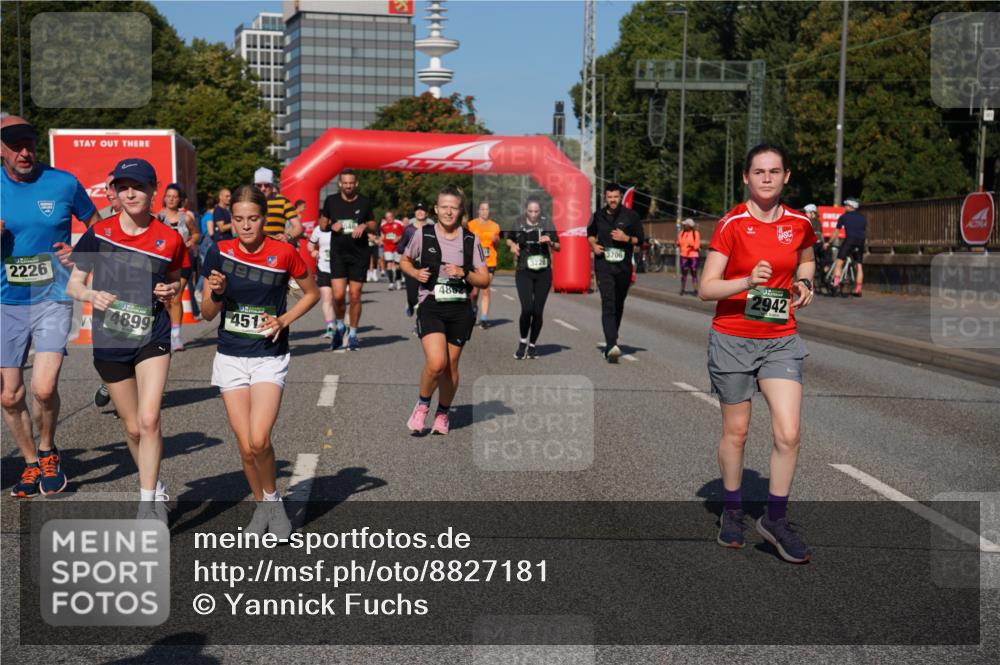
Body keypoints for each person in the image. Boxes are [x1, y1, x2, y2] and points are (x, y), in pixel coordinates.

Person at [698, 143, 816, 564]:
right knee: (738, 432)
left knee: (788, 432)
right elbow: (706, 287)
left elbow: (805, 258)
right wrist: (746, 280)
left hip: (781, 337)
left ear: (786, 177)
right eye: (759, 172)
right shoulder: (732, 224)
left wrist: (805, 284)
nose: (767, 178)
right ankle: (731, 510)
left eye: (774, 171)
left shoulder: (800, 223)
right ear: (746, 178)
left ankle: (775, 519)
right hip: (732, 337)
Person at [66, 158, 186, 521]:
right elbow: (73, 283)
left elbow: (179, 279)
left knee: (150, 420)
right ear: (115, 192)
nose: (130, 193)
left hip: (152, 333)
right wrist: (90, 296)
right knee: (133, 427)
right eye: (123, 186)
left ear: (153, 191)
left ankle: (146, 505)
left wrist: (170, 288)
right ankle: (155, 485)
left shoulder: (170, 238)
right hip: (111, 336)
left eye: (138, 186)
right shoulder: (99, 233)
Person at [200, 185, 318, 536]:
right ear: (231, 219)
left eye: (253, 219)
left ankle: (274, 504)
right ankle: (262, 507)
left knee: (259, 439)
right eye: (239, 220)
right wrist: (217, 293)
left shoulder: (283, 252)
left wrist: (284, 320)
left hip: (269, 356)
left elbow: (310, 293)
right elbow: (207, 313)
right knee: (245, 447)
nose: (246, 226)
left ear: (265, 218)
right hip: (230, 356)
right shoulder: (218, 252)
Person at [1, 116, 100, 498]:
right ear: (1, 149)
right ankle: (29, 463)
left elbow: (98, 224)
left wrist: (81, 251)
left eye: (29, 144)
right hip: (5, 300)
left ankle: (47, 451)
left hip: (53, 296)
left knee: (43, 389)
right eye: (15, 145)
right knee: (9, 395)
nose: (24, 152)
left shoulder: (62, 182)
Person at [400, 185, 489, 435]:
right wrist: (415, 272)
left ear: (461, 211)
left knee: (451, 365)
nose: (449, 212)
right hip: (431, 303)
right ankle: (422, 405)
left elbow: (484, 280)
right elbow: (404, 261)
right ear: (436, 209)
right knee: (436, 362)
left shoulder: (471, 240)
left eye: (454, 207)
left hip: (460, 308)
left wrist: (465, 273)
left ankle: (443, 413)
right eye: (444, 207)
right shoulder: (423, 235)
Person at [318, 169, 376, 351]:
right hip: (338, 255)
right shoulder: (331, 201)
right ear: (340, 184)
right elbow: (322, 223)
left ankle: (352, 334)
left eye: (351, 183)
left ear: (356, 184)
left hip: (359, 254)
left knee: (355, 296)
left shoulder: (364, 202)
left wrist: (364, 225)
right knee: (337, 296)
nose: (348, 186)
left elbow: (374, 225)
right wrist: (330, 225)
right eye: (345, 183)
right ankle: (340, 325)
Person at [588, 182, 644, 363]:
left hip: (623, 268)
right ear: (605, 197)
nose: (613, 200)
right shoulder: (598, 216)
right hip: (603, 266)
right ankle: (611, 345)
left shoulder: (631, 216)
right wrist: (593, 245)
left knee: (618, 303)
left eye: (616, 197)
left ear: (620, 197)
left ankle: (612, 339)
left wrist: (626, 238)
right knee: (608, 303)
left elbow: (641, 240)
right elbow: (590, 233)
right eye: (610, 197)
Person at [506, 197, 560, 359]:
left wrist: (550, 241)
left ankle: (532, 345)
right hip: (524, 270)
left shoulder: (547, 223)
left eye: (536, 211)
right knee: (527, 308)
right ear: (526, 210)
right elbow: (509, 238)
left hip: (543, 272)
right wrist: (513, 246)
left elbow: (558, 246)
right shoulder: (518, 222)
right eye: (530, 211)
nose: (533, 214)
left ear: (540, 211)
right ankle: (523, 342)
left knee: (537, 311)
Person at [157, 184, 201, 348]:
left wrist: (191, 241)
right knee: (166, 300)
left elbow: (196, 233)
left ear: (180, 199)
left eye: (175, 196)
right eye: (168, 196)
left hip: (183, 261)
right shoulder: (158, 218)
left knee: (176, 297)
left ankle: (176, 335)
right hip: (164, 263)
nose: (171, 199)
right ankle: (167, 330)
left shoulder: (186, 218)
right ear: (164, 198)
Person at [467, 201, 502, 328]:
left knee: (486, 290)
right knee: (474, 293)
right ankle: (473, 308)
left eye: (487, 209)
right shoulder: (471, 225)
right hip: (475, 262)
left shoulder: (495, 226)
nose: (485, 211)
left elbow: (497, 246)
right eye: (482, 209)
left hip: (490, 261)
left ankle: (484, 318)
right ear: (478, 211)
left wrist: (496, 240)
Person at [397, 203, 430, 319]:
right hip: (412, 266)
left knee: (427, 297)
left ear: (427, 213)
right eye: (417, 210)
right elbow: (400, 247)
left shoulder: (432, 229)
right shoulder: (409, 229)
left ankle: (421, 322)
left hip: (427, 267)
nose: (420, 212)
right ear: (415, 213)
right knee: (412, 298)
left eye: (422, 210)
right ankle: (411, 304)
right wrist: (410, 251)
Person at [255, 167, 302, 244]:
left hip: (275, 247)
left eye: (267, 185)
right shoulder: (249, 201)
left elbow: (298, 227)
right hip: (253, 247)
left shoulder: (283, 201)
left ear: (272, 185)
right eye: (259, 185)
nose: (263, 188)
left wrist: (288, 236)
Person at [308, 213, 335, 338]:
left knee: (339, 298)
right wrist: (313, 251)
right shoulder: (317, 230)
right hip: (323, 268)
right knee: (327, 298)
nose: (324, 222)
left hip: (339, 269)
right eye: (322, 220)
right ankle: (330, 327)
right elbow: (310, 244)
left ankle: (341, 324)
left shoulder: (337, 229)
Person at [832, 198, 866, 297]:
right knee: (859, 265)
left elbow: (836, 232)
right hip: (861, 242)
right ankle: (858, 288)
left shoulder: (844, 217)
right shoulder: (863, 218)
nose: (845, 207)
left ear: (851, 207)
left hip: (849, 240)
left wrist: (828, 242)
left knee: (839, 262)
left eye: (846, 205)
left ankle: (836, 284)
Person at [379, 209, 406, 290]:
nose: (388, 219)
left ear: (393, 217)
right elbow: (383, 235)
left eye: (390, 217)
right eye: (387, 217)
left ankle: (398, 281)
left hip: (397, 247)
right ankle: (391, 283)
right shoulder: (383, 225)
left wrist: (399, 238)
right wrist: (380, 240)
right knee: (389, 264)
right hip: (387, 247)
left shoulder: (399, 223)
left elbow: (405, 234)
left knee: (398, 265)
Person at [803, 204, 830, 277]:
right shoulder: (818, 222)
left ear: (812, 213)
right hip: (819, 244)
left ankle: (811, 277)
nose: (805, 214)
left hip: (814, 245)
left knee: (809, 261)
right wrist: (824, 243)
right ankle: (825, 267)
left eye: (807, 212)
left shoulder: (808, 221)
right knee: (822, 258)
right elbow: (821, 234)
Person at [677, 218, 701, 295]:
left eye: (685, 225)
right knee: (684, 273)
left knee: (694, 273)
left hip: (693, 256)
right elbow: (679, 242)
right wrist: (677, 243)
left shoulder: (696, 233)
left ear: (690, 226)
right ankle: (682, 289)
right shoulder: (681, 233)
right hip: (683, 255)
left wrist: (692, 246)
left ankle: (695, 290)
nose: (684, 226)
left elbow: (697, 245)